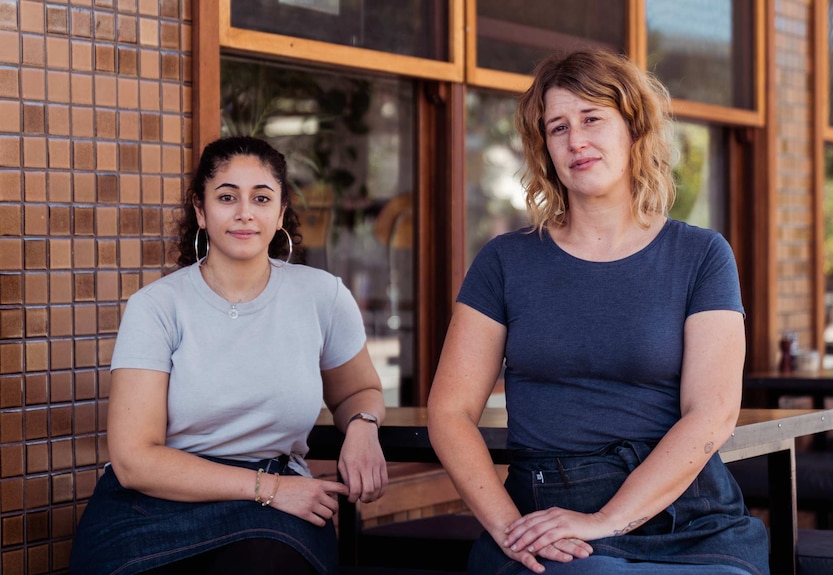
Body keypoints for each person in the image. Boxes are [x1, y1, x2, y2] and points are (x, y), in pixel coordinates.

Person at [427, 50, 769, 575]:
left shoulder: (701, 255)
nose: (576, 141)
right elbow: (449, 412)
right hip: (549, 513)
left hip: (689, 516)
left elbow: (714, 411)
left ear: (634, 128)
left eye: (592, 119)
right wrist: (506, 528)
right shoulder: (506, 261)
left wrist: (608, 519)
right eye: (557, 127)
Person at [69, 136, 388, 575]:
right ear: (201, 211)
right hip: (156, 506)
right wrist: (269, 488)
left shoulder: (322, 296)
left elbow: (359, 390)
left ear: (280, 213)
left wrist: (363, 426)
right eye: (226, 197)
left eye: (261, 198)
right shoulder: (157, 306)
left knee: (265, 564)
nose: (244, 212)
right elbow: (133, 459)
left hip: (275, 516)